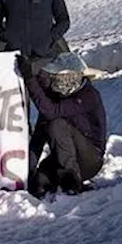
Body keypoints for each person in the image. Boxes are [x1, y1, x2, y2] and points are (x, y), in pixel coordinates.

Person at [19, 53, 107, 197]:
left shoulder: (88, 95)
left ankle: (72, 183)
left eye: (55, 76)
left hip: (90, 160)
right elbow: (38, 139)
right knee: (39, 183)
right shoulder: (56, 99)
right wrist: (26, 173)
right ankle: (62, 178)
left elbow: (51, 112)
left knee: (56, 124)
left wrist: (30, 80)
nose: (52, 81)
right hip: (65, 157)